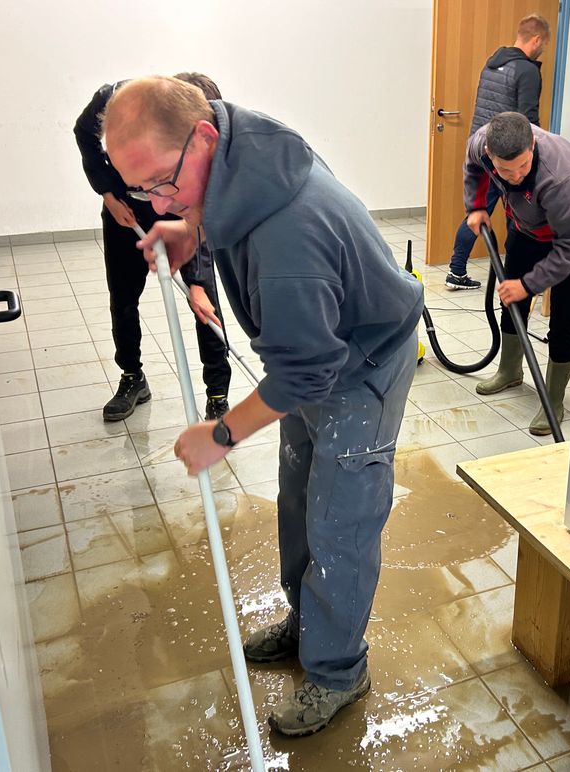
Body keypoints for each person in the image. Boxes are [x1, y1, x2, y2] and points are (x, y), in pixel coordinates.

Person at [102, 77, 424, 736]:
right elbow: (210, 209)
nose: (157, 200)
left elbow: (307, 374)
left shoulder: (289, 241)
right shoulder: (239, 148)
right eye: (143, 191)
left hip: (359, 364)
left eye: (163, 183)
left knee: (340, 520)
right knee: (299, 495)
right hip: (315, 345)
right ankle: (305, 623)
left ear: (204, 136)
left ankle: (338, 671)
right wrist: (189, 237)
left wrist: (220, 435)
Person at [74, 73, 232, 422]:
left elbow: (206, 201)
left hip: (181, 208)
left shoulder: (206, 147)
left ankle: (217, 394)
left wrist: (196, 277)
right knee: (123, 296)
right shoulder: (115, 101)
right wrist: (108, 194)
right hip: (125, 211)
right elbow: (83, 133)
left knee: (205, 301)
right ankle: (133, 377)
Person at [465, 112, 570, 435]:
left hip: (569, 236)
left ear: (533, 145)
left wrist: (530, 284)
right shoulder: (482, 144)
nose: (513, 176)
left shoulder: (560, 178)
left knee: (564, 318)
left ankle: (553, 398)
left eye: (522, 167)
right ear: (490, 155)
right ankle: (510, 369)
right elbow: (472, 169)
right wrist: (477, 206)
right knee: (510, 300)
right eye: (505, 170)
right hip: (525, 228)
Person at [445, 14, 551, 291]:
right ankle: (511, 274)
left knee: (478, 210)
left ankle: (457, 269)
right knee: (517, 215)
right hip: (506, 152)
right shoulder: (527, 71)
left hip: (482, 148)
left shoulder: (492, 64)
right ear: (537, 39)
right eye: (544, 44)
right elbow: (528, 121)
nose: (543, 50)